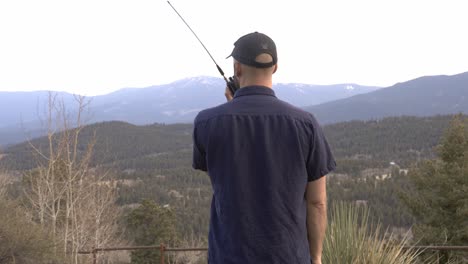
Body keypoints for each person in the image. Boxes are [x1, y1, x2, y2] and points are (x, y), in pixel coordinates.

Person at [192, 32, 336, 264]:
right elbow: (317, 202)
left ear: (237, 69)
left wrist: (233, 112)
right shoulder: (306, 124)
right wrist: (316, 257)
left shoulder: (206, 122)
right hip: (289, 257)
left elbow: (221, 177)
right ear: (275, 68)